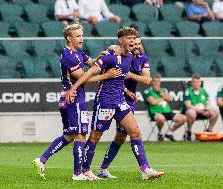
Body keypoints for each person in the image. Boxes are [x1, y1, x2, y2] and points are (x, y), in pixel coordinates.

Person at [66, 27, 164, 180]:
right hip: (105, 102)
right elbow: (89, 73)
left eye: (134, 39)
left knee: (135, 133)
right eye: (129, 38)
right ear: (121, 40)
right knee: (95, 137)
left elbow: (124, 75)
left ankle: (145, 170)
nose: (132, 41)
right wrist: (73, 88)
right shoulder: (110, 57)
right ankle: (85, 170)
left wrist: (125, 90)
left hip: (120, 101)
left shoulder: (131, 56)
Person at [32, 23, 122, 181]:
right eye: (78, 35)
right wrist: (106, 76)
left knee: (68, 136)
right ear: (69, 38)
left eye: (82, 35)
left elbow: (92, 64)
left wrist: (101, 58)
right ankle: (77, 174)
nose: (82, 38)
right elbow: (84, 78)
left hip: (70, 98)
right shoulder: (68, 56)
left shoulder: (78, 52)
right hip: (73, 98)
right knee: (81, 136)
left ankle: (41, 160)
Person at [97, 37, 151, 179]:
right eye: (134, 44)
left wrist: (129, 75)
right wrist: (126, 89)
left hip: (128, 102)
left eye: (139, 44)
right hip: (114, 98)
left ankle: (103, 169)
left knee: (121, 137)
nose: (137, 47)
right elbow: (112, 76)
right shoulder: (119, 54)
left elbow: (147, 80)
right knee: (98, 135)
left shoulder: (142, 58)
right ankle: (145, 169)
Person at [144, 75, 187, 141]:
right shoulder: (147, 91)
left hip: (167, 111)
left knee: (183, 118)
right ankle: (160, 133)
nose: (156, 83)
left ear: (160, 82)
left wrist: (159, 92)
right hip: (155, 112)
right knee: (161, 118)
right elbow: (153, 102)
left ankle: (169, 133)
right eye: (154, 81)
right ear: (151, 82)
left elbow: (170, 99)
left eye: (158, 81)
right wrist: (163, 98)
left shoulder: (163, 90)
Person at [182, 74, 219, 141]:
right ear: (191, 83)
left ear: (200, 83)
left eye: (198, 82)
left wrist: (207, 109)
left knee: (216, 111)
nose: (196, 84)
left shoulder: (203, 91)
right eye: (194, 82)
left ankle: (209, 131)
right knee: (191, 112)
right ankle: (189, 132)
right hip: (192, 112)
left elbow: (208, 102)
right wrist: (200, 111)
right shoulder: (188, 91)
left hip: (203, 111)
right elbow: (188, 105)